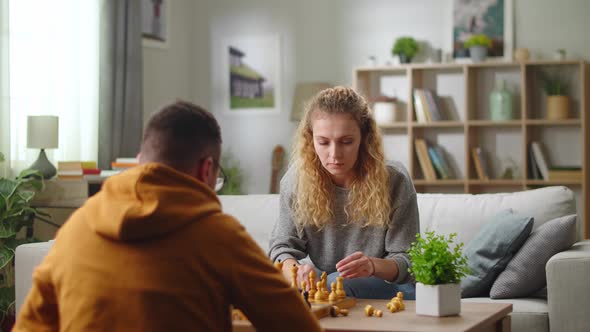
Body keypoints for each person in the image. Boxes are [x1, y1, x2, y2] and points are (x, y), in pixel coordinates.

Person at [14, 101, 321, 332]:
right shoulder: (219, 235)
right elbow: (296, 324)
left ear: (139, 163)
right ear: (206, 169)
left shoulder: (75, 228)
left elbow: (30, 326)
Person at [269, 86, 419, 300]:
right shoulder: (296, 181)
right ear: (310, 140)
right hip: (331, 282)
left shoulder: (395, 181)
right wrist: (296, 271)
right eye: (323, 142)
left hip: (391, 288)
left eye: (346, 142)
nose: (334, 154)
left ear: (364, 138)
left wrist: (372, 266)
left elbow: (408, 261)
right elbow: (282, 247)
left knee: (332, 283)